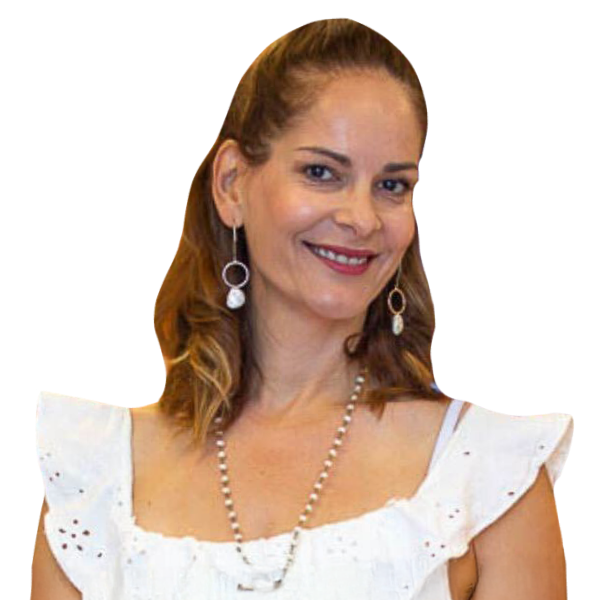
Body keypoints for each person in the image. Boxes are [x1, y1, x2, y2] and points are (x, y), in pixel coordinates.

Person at [33, 18, 573, 599]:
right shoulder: (95, 473)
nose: (362, 218)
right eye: (322, 173)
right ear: (232, 184)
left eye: (392, 185)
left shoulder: (490, 472)